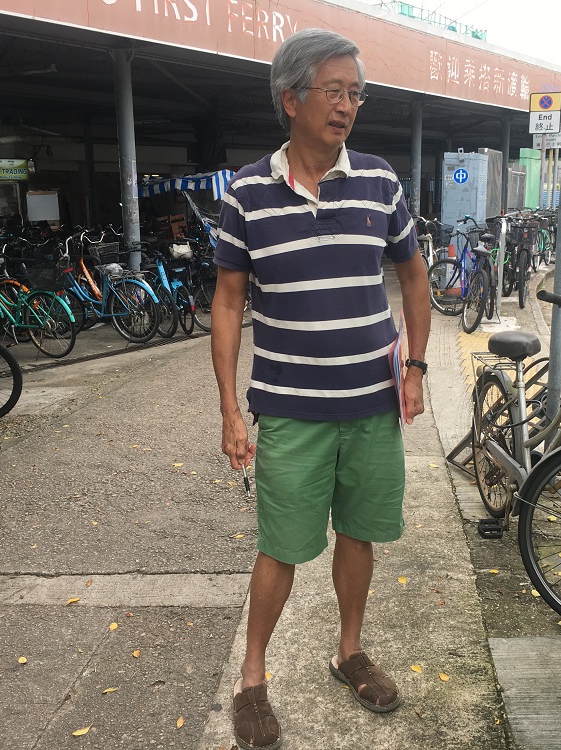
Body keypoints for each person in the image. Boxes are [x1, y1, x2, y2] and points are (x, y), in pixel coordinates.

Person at [210, 28, 430, 750]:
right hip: (290, 407)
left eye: (356, 93)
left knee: (359, 534)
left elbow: (414, 276)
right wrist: (227, 410)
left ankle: (349, 651)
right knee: (281, 546)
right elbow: (227, 302)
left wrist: (416, 365)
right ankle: (251, 678)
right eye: (335, 90)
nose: (348, 106)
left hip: (371, 404)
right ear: (292, 97)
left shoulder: (378, 179)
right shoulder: (246, 192)